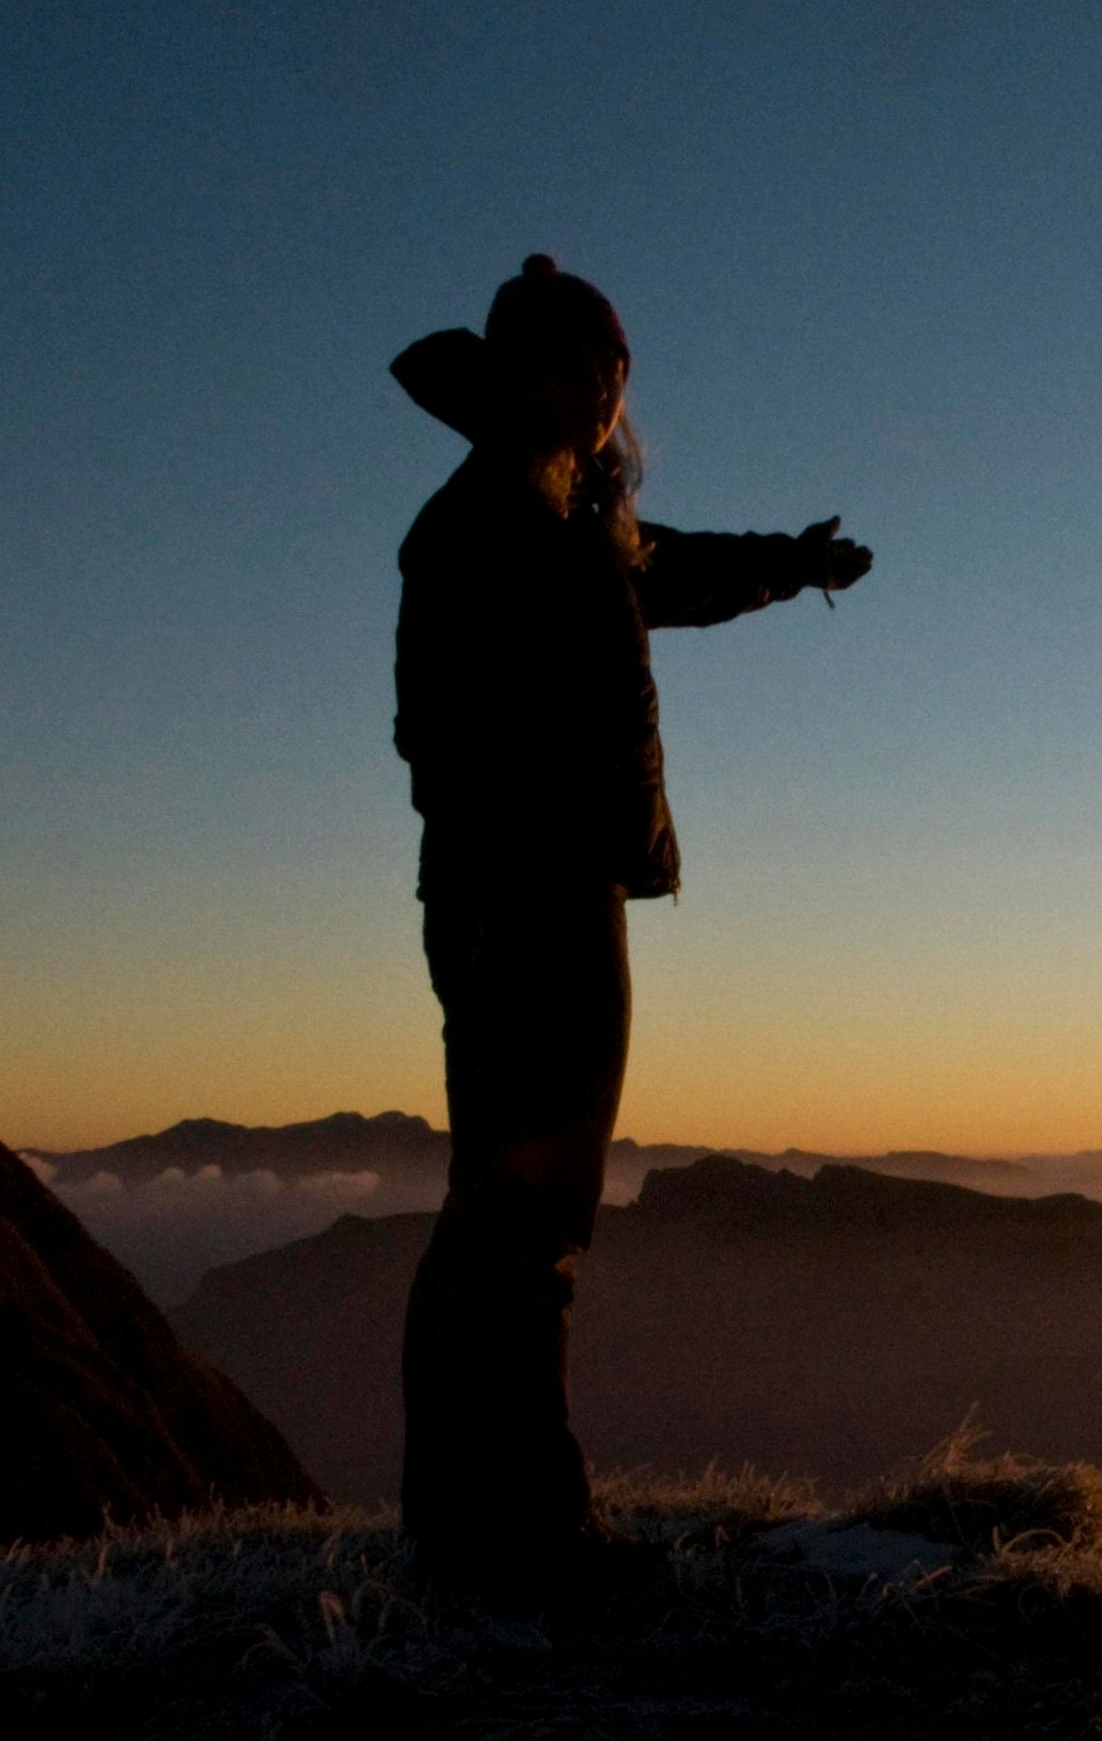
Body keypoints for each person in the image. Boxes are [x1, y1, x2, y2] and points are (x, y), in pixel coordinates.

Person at [384, 255, 871, 1592]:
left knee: (518, 1211)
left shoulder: (561, 517)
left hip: (545, 895)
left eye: (619, 382)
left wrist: (795, 565)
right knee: (523, 1214)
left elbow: (673, 570)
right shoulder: (483, 524)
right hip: (522, 905)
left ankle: (469, 1521)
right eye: (594, 376)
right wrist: (537, 842)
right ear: (535, 376)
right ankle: (517, 1532)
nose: (610, 402)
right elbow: (436, 734)